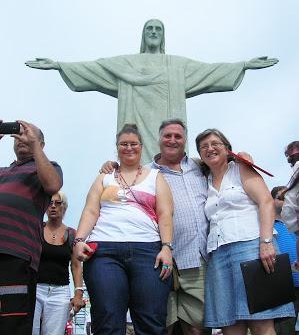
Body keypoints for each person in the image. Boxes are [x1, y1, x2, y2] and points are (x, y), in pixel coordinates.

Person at [25, 19, 278, 163]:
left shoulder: (176, 65)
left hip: (169, 134)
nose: (154, 32)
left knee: (169, 157)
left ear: (163, 36)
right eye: (149, 29)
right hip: (134, 129)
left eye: (158, 29)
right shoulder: (126, 64)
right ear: (143, 36)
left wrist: (243, 65)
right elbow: (95, 69)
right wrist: (59, 65)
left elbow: (209, 71)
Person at [101, 119, 213, 335]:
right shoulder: (144, 173)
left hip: (194, 259)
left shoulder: (200, 167)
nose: (172, 140)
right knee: (161, 325)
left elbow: (224, 162)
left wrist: (241, 157)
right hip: (156, 259)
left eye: (178, 136)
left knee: (196, 328)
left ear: (185, 140)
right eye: (167, 136)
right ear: (159, 139)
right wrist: (111, 166)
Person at [73, 123, 173, 335]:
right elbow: (91, 211)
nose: (129, 148)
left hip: (148, 251)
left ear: (141, 146)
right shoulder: (104, 177)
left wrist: (166, 247)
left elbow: (165, 214)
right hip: (104, 251)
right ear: (117, 147)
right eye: (123, 144)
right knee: (107, 320)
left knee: (151, 321)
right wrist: (79, 240)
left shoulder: (156, 177)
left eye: (133, 144)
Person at [195, 128, 295, 335]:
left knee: (261, 322)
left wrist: (266, 241)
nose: (210, 148)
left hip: (250, 247)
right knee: (230, 325)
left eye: (215, 143)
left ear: (227, 149)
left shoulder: (240, 169)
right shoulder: (203, 181)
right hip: (218, 254)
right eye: (203, 146)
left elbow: (266, 201)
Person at [0, 120, 63, 335]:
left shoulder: (48, 168)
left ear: (41, 145)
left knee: (13, 322)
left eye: (29, 136)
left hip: (17, 255)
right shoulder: (2, 171)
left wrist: (35, 147)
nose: (22, 139)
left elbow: (53, 185)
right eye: (17, 136)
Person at [33, 190, 85, 335]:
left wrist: (78, 294)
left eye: (58, 203)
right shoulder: (37, 229)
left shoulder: (72, 234)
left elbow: (76, 265)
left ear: (64, 207)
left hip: (60, 292)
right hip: (36, 289)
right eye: (49, 203)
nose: (53, 206)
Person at [272, 186, 299, 335]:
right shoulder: (267, 226)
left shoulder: (296, 224)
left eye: (288, 198)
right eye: (281, 198)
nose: (285, 201)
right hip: (284, 288)